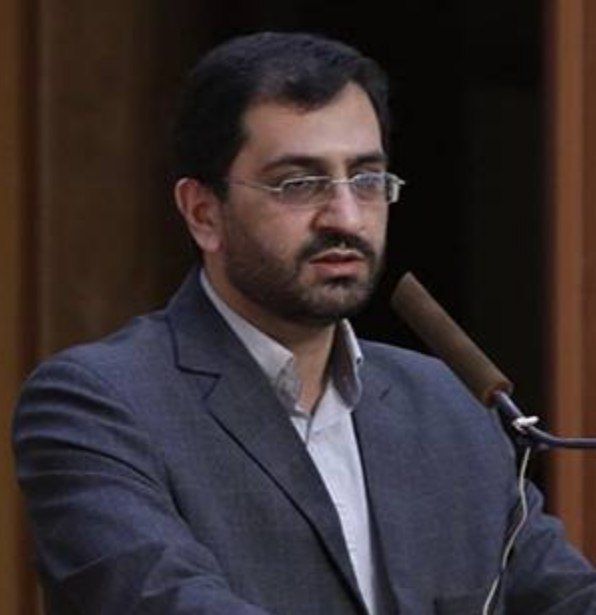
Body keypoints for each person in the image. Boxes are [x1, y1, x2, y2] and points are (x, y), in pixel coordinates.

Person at [13, 31, 596, 615]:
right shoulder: (99, 403)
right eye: (299, 183)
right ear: (203, 213)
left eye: (366, 180)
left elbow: (564, 598)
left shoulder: (448, 403)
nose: (346, 217)